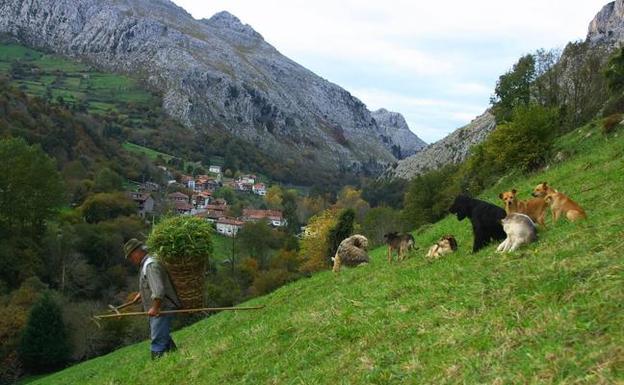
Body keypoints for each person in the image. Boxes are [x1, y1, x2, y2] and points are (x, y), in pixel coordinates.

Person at [124, 238, 182, 359]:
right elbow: (151, 283)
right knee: (163, 336)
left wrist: (155, 308)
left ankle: (156, 367)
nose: (131, 260)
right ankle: (177, 359)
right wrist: (141, 294)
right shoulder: (147, 263)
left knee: (157, 341)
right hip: (159, 309)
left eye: (130, 256)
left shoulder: (150, 265)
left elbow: (159, 290)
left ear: (137, 252)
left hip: (162, 309)